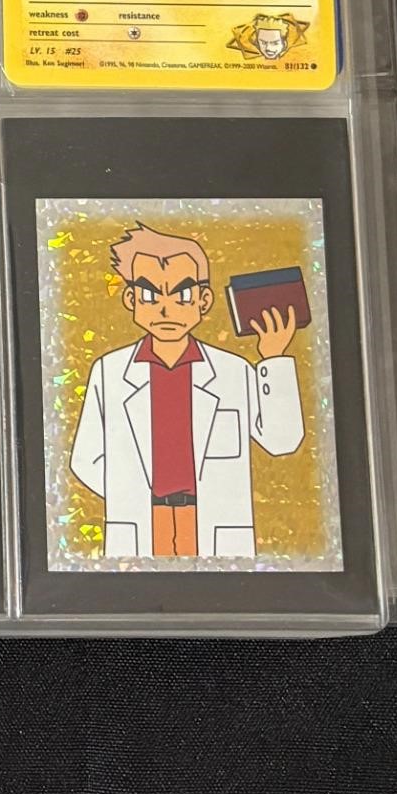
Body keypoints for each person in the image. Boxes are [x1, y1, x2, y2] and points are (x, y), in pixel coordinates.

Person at [68, 224, 304, 559]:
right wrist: (130, 496)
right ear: (131, 299)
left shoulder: (233, 371)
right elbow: (85, 458)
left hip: (215, 523)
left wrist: (274, 358)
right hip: (140, 522)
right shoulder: (110, 372)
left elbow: (282, 441)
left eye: (182, 295)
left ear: (203, 300)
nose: (166, 310)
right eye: (150, 295)